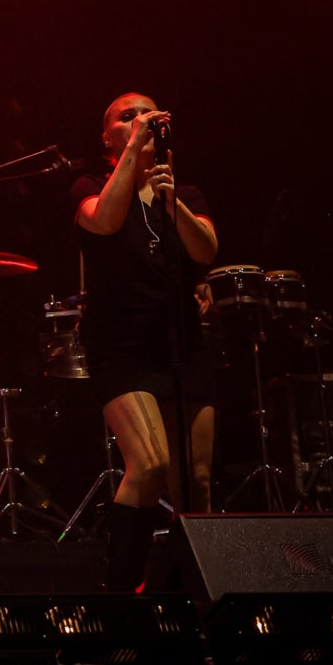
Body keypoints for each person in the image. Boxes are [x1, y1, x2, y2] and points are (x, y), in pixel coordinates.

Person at [73, 92, 220, 590]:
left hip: (181, 340)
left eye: (147, 112)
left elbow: (206, 250)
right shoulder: (91, 185)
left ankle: (172, 597)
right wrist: (133, 155)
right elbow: (104, 222)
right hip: (122, 343)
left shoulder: (184, 192)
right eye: (127, 116)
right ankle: (119, 600)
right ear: (107, 136)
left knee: (195, 482)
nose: (141, 119)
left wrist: (171, 197)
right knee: (150, 463)